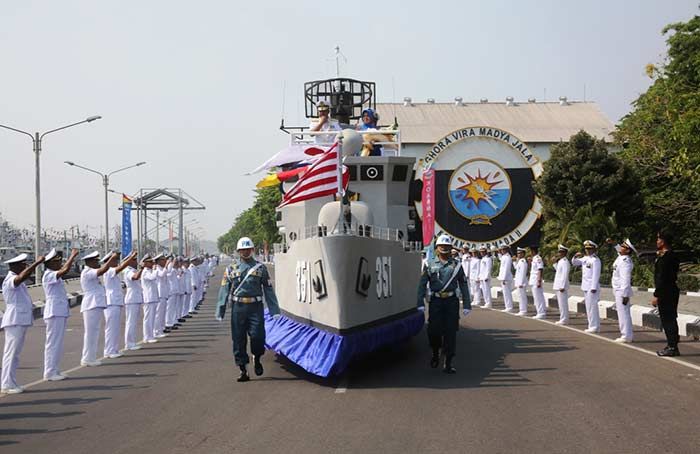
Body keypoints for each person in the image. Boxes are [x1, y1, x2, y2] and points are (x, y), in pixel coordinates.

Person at [216, 237, 281, 382]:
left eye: (248, 249)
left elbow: (268, 290)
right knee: (238, 339)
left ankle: (257, 358)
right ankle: (243, 369)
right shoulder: (231, 268)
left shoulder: (260, 268)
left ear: (252, 250)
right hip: (238, 308)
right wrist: (220, 311)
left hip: (255, 307)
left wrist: (274, 310)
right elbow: (224, 290)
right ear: (238, 251)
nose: (245, 252)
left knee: (258, 336)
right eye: (242, 250)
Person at [417, 234, 471, 374]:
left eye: (447, 247)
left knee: (450, 332)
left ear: (451, 248)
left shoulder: (457, 265)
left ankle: (448, 362)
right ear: (437, 248)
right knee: (433, 331)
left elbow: (463, 285)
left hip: (451, 302)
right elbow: (422, 284)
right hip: (436, 301)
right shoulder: (429, 264)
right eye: (442, 246)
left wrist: (466, 304)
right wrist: (420, 302)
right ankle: (436, 352)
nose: (444, 249)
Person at [1, 253, 44, 393]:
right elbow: (20, 278)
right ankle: (7, 384)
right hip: (14, 320)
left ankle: (10, 382)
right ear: (15, 266)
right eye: (22, 264)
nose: (25, 266)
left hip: (19, 319)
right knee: (11, 353)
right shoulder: (10, 279)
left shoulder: (16, 279)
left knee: (15, 353)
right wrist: (36, 264)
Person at [42, 248, 79, 380]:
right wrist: (72, 256)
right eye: (57, 262)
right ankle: (49, 372)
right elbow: (65, 270)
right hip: (54, 312)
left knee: (57, 343)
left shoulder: (53, 273)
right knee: (53, 343)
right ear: (50, 263)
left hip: (59, 311)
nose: (59, 264)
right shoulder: (48, 274)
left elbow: (62, 270)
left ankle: (55, 369)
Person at [80, 251, 111, 366]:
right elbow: (102, 270)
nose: (98, 262)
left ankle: (91, 357)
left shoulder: (90, 272)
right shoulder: (87, 272)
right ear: (90, 262)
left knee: (94, 332)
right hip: (91, 304)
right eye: (96, 261)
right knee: (90, 332)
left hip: (95, 304)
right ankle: (87, 358)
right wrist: (111, 260)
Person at [103, 250, 135, 358]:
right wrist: (131, 258)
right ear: (109, 261)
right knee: (111, 328)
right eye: (115, 260)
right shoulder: (109, 271)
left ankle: (114, 349)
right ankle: (109, 350)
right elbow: (122, 267)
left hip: (116, 302)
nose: (117, 261)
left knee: (115, 327)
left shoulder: (112, 271)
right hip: (111, 302)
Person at [653, 231, 681, 356]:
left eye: (658, 240)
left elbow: (662, 278)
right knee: (670, 318)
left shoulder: (667, 257)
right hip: (670, 290)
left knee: (668, 319)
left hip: (666, 292)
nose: (657, 242)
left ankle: (672, 346)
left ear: (663, 241)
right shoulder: (670, 255)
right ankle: (672, 342)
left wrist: (657, 295)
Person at [572, 240, 601, 333]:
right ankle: (591, 325)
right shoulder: (585, 258)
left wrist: (593, 287)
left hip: (592, 287)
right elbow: (575, 263)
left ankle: (595, 326)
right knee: (588, 307)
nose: (588, 250)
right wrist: (575, 256)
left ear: (594, 249)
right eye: (586, 249)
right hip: (585, 286)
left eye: (590, 249)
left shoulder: (595, 260)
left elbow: (596, 275)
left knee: (592, 307)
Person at [611, 239, 636, 343]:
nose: (620, 247)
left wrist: (625, 295)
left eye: (623, 246)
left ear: (627, 250)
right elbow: (618, 250)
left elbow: (626, 279)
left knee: (623, 313)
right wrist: (613, 243)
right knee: (622, 313)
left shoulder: (625, 262)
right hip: (618, 289)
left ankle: (626, 336)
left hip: (622, 290)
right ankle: (626, 334)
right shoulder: (621, 257)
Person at [123, 253, 144, 350]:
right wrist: (142, 269)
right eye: (134, 260)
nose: (136, 262)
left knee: (134, 322)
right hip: (132, 299)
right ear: (129, 261)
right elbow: (135, 277)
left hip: (136, 298)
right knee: (131, 322)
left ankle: (132, 342)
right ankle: (129, 343)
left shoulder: (133, 270)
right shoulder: (128, 271)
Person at [140, 254, 159, 344]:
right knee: (148, 318)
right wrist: (155, 269)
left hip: (152, 297)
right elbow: (152, 277)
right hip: (148, 298)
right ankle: (147, 336)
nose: (152, 263)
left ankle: (150, 335)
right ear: (145, 263)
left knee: (152, 318)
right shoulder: (145, 272)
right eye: (150, 262)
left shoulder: (150, 271)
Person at [552, 245, 571, 325]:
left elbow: (564, 274)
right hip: (558, 285)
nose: (559, 253)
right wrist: (554, 263)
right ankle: (563, 318)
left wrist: (562, 286)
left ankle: (564, 319)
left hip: (561, 286)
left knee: (563, 303)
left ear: (565, 253)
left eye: (561, 252)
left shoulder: (565, 262)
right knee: (561, 303)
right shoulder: (560, 261)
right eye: (559, 252)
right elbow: (558, 272)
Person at [154, 253, 170, 338]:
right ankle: (156, 331)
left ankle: (161, 329)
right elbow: (161, 275)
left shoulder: (162, 268)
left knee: (162, 313)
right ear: (158, 261)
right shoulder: (157, 269)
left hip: (163, 293)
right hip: (159, 293)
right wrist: (166, 266)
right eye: (163, 260)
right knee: (158, 314)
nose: (165, 261)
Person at [528, 246, 546, 319]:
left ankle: (541, 313)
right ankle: (539, 312)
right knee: (536, 297)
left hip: (536, 280)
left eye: (531, 251)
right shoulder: (534, 258)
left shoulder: (538, 258)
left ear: (533, 251)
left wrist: (539, 280)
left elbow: (540, 269)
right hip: (533, 280)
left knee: (539, 297)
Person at [497, 245, 515, 313]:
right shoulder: (504, 256)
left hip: (506, 277)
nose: (502, 250)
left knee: (507, 293)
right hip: (503, 277)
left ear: (506, 250)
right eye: (501, 250)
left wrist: (504, 278)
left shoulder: (508, 257)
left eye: (503, 249)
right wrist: (498, 253)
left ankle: (509, 307)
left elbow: (507, 268)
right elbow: (500, 259)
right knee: (505, 293)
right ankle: (507, 306)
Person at [165, 256, 180, 331]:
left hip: (175, 289)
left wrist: (175, 267)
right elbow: (168, 275)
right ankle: (168, 323)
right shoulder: (169, 266)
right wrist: (172, 266)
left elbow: (178, 274)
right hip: (170, 290)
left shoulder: (173, 268)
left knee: (173, 307)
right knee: (169, 308)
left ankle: (173, 322)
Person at [513, 247, 529, 315]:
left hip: (521, 282)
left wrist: (521, 283)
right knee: (520, 296)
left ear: (523, 254)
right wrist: (514, 261)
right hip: (519, 282)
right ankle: (521, 310)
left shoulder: (523, 262)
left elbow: (523, 273)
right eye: (517, 253)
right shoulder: (520, 261)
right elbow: (516, 268)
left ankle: (523, 310)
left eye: (519, 253)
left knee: (522, 297)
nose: (518, 254)